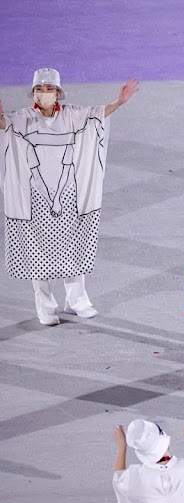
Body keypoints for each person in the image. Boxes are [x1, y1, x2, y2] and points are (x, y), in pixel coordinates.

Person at [1, 68, 139, 325]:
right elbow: (5, 126)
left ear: (58, 93)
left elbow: (96, 115)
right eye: (40, 90)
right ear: (33, 94)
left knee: (70, 244)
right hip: (36, 198)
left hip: (66, 195)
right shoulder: (25, 119)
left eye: (49, 89)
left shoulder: (72, 116)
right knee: (37, 249)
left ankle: (77, 300)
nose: (44, 94)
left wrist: (119, 102)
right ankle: (45, 306)